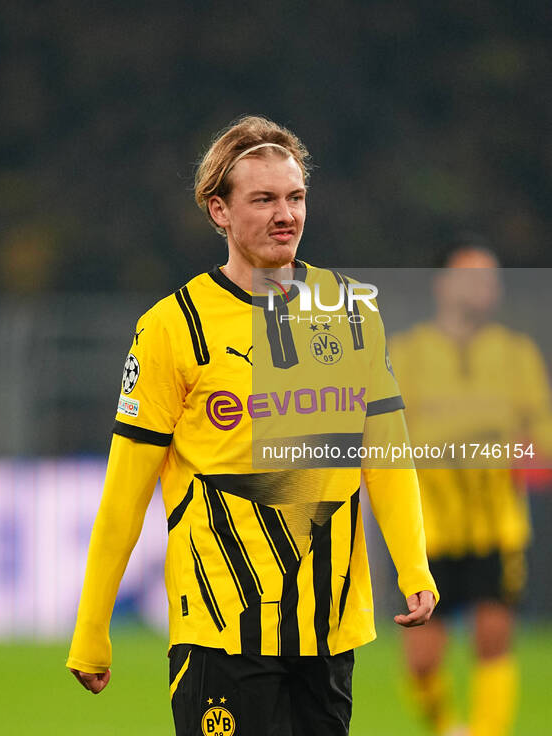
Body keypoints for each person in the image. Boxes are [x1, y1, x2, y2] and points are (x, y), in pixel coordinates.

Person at [66, 115, 438, 736]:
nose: (284, 214)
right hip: (221, 626)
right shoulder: (171, 326)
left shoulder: (351, 311)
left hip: (329, 625)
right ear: (218, 210)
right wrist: (91, 626)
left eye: (294, 197)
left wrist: (413, 567)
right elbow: (125, 491)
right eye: (262, 198)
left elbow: (387, 452)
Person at [389, 241, 552, 736]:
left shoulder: (517, 355)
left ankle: (486, 731)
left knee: (494, 633)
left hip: (495, 522)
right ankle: (444, 728)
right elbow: (385, 437)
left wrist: (510, 452)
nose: (483, 287)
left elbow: (541, 441)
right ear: (443, 285)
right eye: (471, 276)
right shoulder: (407, 353)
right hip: (427, 526)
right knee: (422, 655)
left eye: (490, 278)